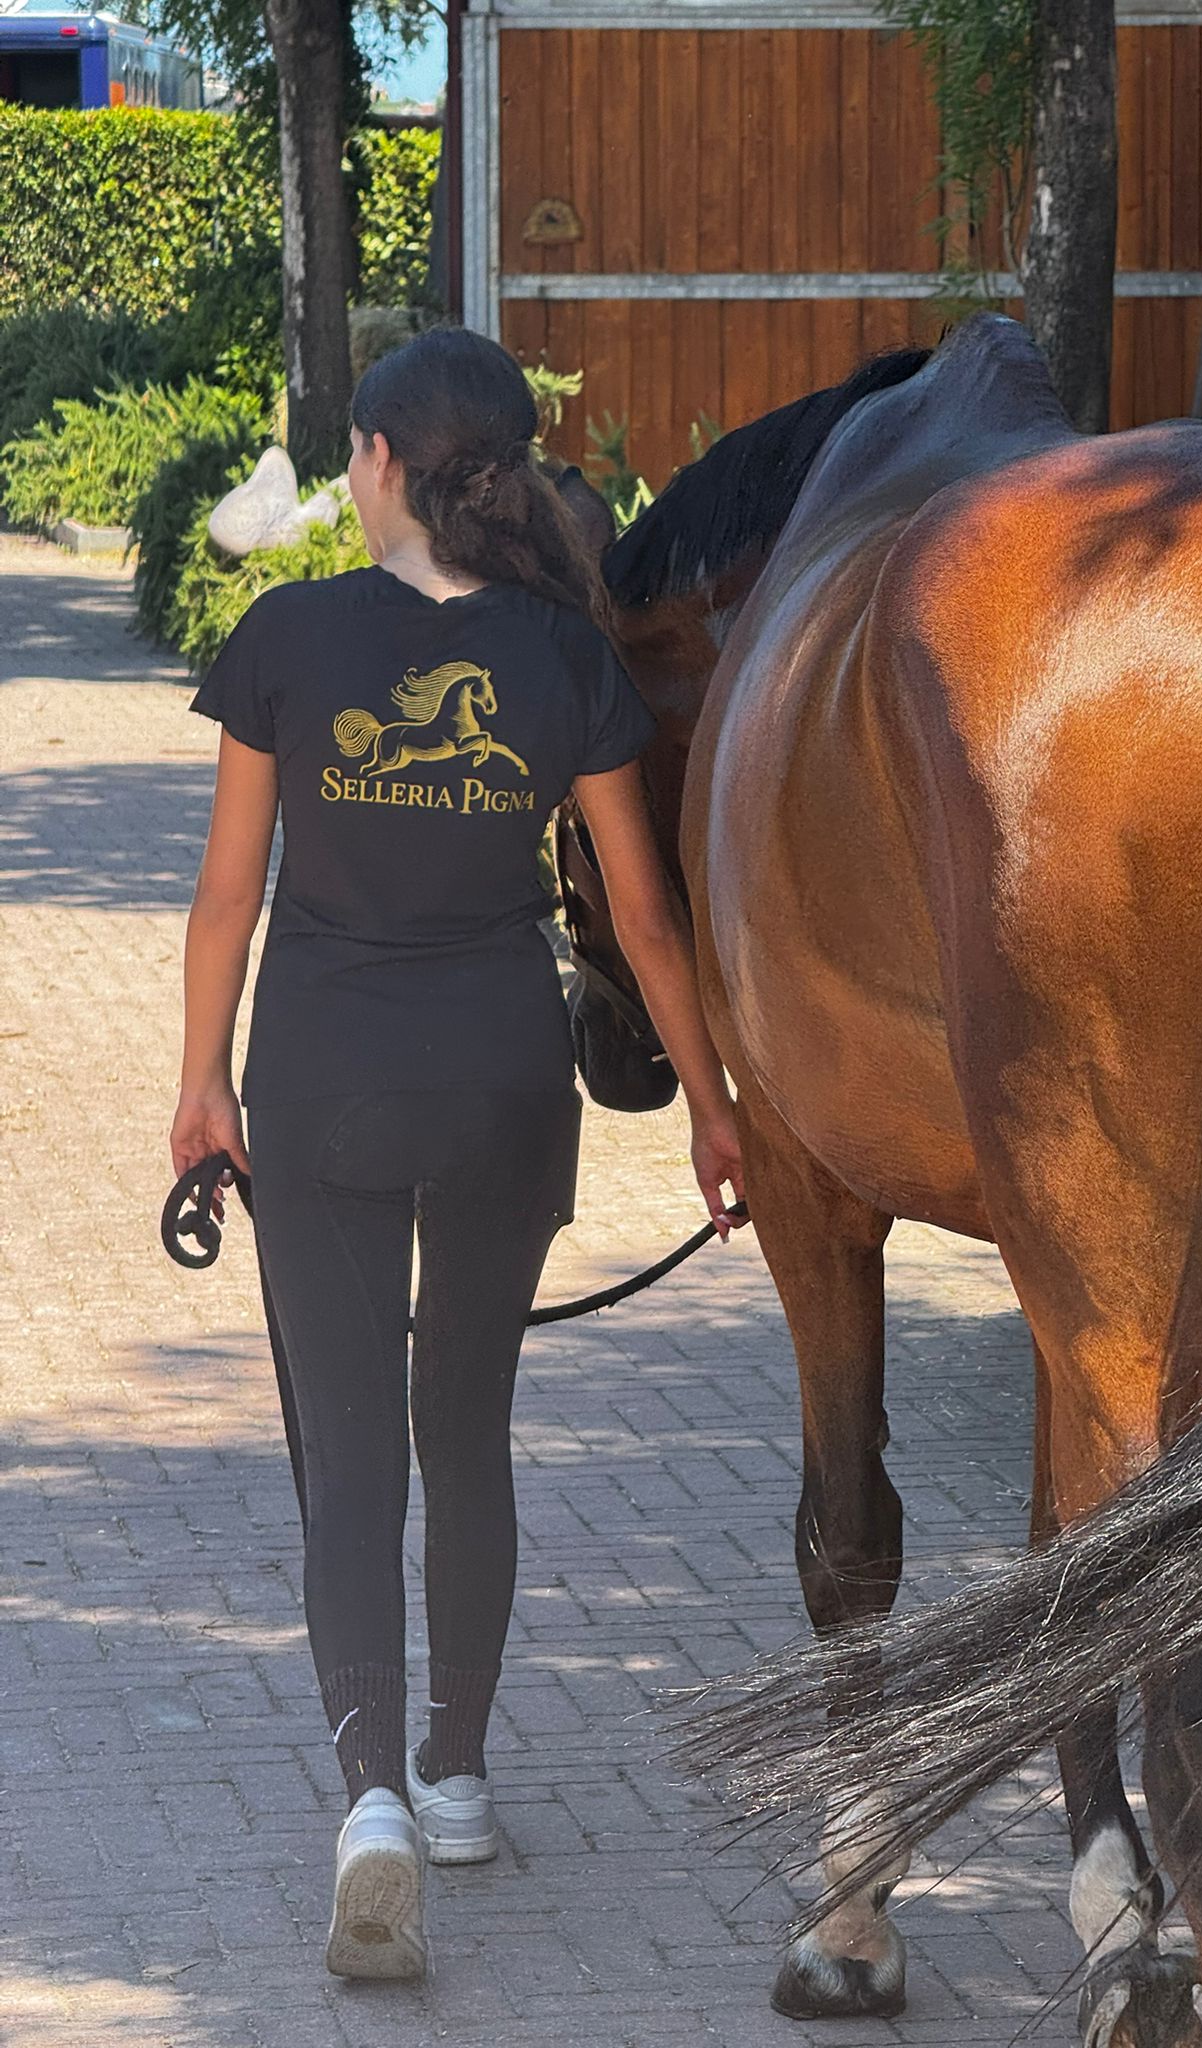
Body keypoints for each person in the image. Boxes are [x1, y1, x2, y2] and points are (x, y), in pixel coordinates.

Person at [171, 327, 743, 1981]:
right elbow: (643, 918)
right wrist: (717, 1113)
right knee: (466, 1432)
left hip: (324, 1084)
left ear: (381, 467)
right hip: (506, 1084)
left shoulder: (287, 638)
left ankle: (372, 1805)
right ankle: (462, 1776)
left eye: (354, 457)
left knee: (350, 1457)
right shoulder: (566, 658)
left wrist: (200, 1089)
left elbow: (227, 897)